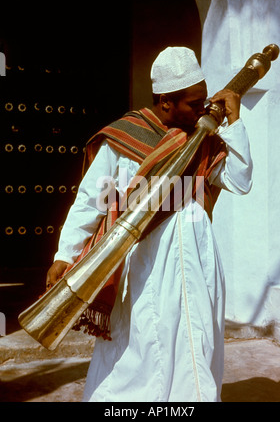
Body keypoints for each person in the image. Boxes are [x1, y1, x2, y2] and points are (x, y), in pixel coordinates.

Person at [46, 46, 253, 402]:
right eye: (194, 102)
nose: (204, 108)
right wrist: (66, 253)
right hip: (143, 258)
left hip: (197, 258)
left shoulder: (203, 140)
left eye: (204, 99)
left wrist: (235, 123)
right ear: (165, 102)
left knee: (197, 337)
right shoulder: (123, 139)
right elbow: (93, 202)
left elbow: (240, 180)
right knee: (143, 340)